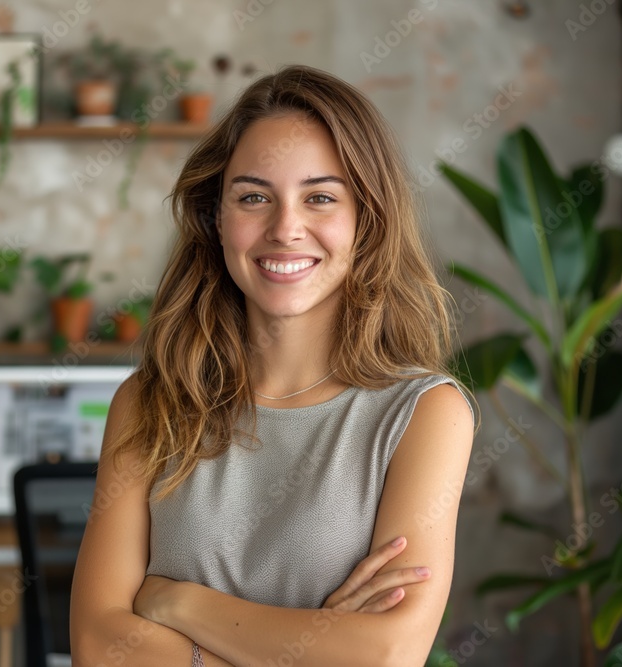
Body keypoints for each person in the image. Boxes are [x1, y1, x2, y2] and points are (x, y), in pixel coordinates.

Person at [70, 64, 476, 667]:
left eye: (320, 197)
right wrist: (313, 645)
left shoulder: (424, 414)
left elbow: (386, 655)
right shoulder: (147, 403)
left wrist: (176, 604)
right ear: (217, 218)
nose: (286, 229)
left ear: (367, 220)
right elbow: (99, 647)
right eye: (254, 197)